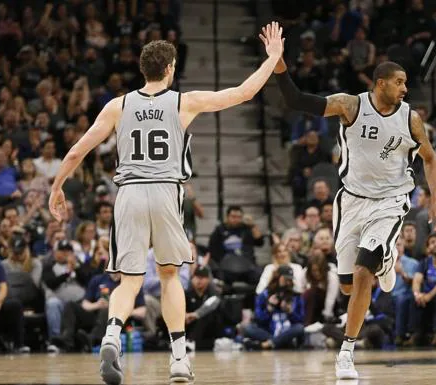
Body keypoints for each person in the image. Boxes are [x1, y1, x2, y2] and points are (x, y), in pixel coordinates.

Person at [48, 23, 284, 384]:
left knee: (128, 281)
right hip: (165, 191)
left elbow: (79, 149)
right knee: (169, 275)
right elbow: (243, 92)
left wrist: (57, 187)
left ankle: (111, 335)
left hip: (128, 193)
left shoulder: (118, 105)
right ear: (170, 68)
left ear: (143, 69)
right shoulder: (183, 102)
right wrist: (272, 58)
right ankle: (178, 358)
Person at [272, 47, 436, 379]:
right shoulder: (350, 106)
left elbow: (431, 159)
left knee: (365, 270)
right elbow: (297, 100)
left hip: (390, 202)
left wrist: (435, 201)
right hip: (351, 201)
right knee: (349, 286)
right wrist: (280, 66)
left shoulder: (410, 118)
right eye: (399, 82)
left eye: (405, 83)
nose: (405, 89)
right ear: (380, 84)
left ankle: (346, 350)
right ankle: (385, 260)